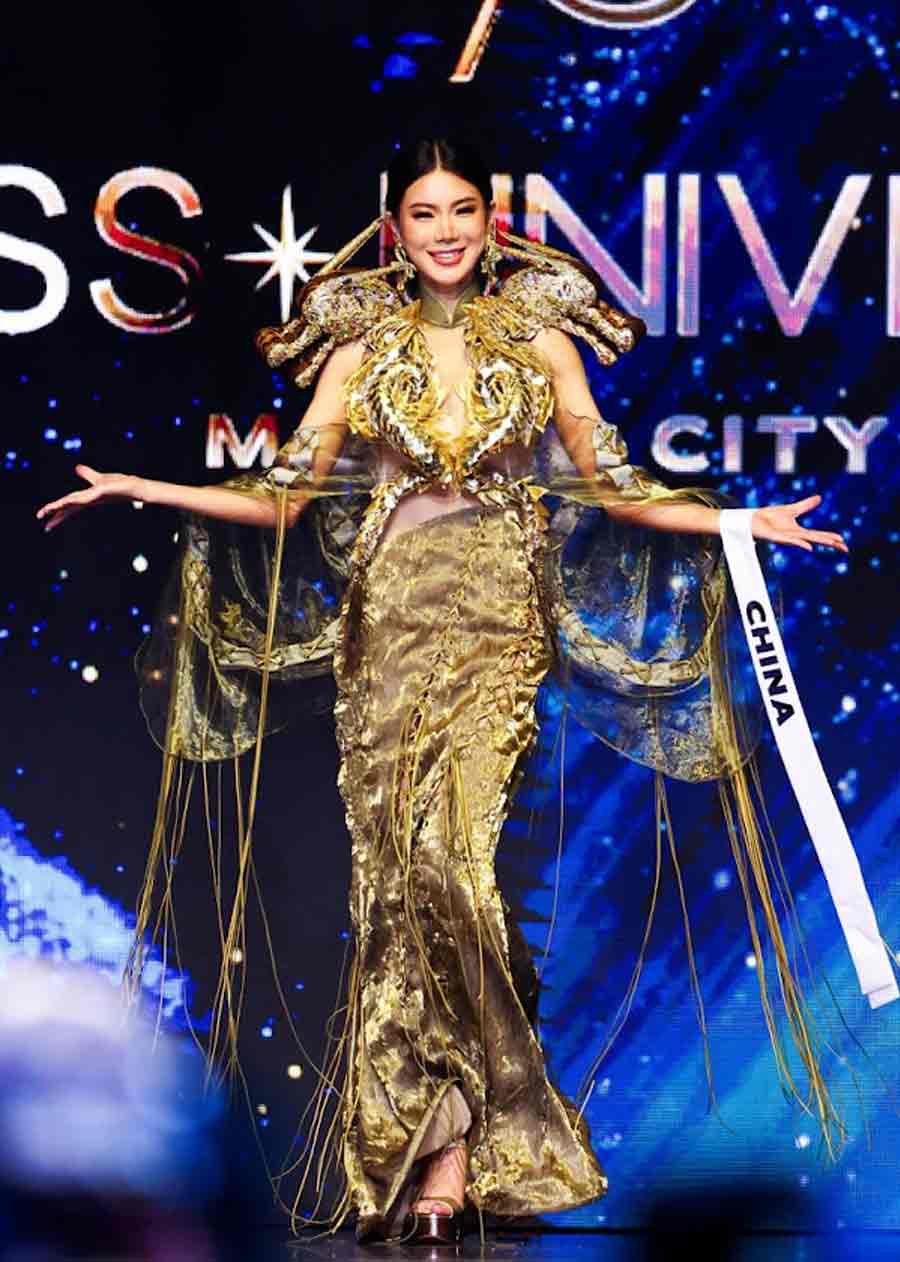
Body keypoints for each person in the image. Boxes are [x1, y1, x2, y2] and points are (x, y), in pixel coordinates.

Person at [37, 137, 858, 1246]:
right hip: (389, 640)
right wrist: (146, 485)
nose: (445, 230)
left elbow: (614, 485)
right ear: (398, 231)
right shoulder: (358, 347)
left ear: (490, 220)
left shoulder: (542, 340)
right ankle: (435, 1151)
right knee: (396, 894)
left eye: (462, 208)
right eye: (424, 214)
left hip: (495, 636)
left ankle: (461, 1150)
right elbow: (285, 502)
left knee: (456, 873)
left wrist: (738, 519)